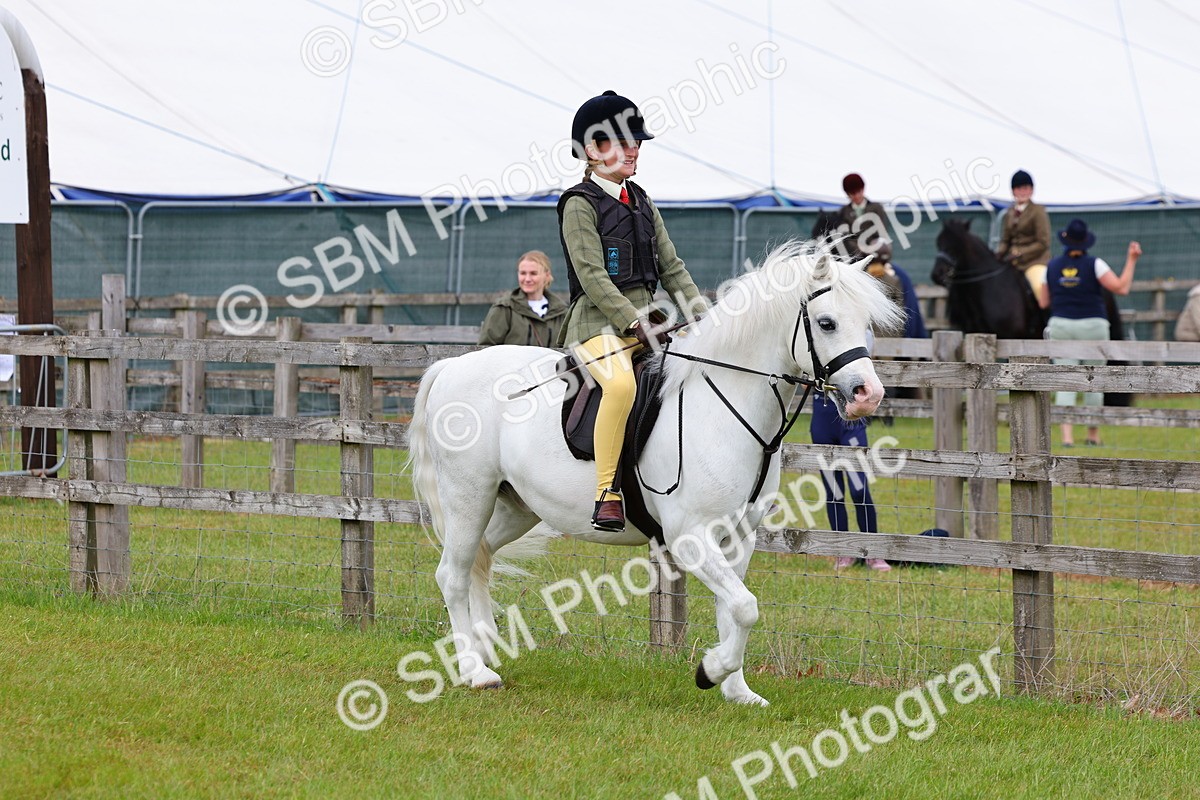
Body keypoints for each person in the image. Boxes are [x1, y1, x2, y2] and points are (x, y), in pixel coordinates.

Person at [558, 90, 708, 532]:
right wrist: (632, 321)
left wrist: (702, 314)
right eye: (622, 141)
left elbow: (672, 266)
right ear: (591, 150)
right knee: (621, 387)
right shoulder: (578, 204)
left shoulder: (641, 199)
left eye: (636, 142)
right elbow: (591, 276)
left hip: (650, 326)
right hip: (597, 326)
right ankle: (606, 492)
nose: (634, 149)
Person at [1038, 219, 1142, 447]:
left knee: (1066, 380)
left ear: (1065, 240)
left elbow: (1044, 301)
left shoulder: (1051, 266)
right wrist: (1132, 259)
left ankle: (1067, 438)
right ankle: (1092, 435)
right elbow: (1121, 287)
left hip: (1062, 325)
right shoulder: (1096, 264)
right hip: (1093, 326)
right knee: (1094, 379)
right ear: (1086, 242)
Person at [810, 387, 890, 572]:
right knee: (834, 491)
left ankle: (872, 551)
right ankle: (843, 550)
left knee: (859, 489)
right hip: (822, 423)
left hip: (851, 425)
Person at [477, 250, 568, 347]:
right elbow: (486, 348)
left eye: (533, 273)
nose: (527, 279)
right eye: (523, 273)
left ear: (547, 275)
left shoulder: (561, 312)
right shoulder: (504, 308)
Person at [995, 170, 1051, 298]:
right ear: (1013, 191)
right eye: (1019, 188)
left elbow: (1043, 242)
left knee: (1038, 287)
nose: (1023, 192)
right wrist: (999, 254)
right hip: (1013, 262)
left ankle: (1047, 316)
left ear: (1031, 190)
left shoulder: (1038, 211)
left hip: (1034, 261)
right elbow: (1006, 240)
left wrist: (1020, 253)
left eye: (1026, 188)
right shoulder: (1009, 212)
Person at [837, 173, 892, 264]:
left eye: (859, 191)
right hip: (854, 257)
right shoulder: (843, 212)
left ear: (863, 189)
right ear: (847, 194)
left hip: (876, 254)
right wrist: (858, 250)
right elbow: (846, 236)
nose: (857, 196)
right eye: (852, 193)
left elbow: (882, 231)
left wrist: (871, 248)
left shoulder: (877, 208)